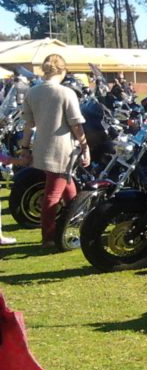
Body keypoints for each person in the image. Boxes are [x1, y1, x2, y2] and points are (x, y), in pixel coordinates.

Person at [18, 54, 91, 248]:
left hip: (42, 147)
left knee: (70, 190)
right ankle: (49, 237)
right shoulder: (66, 93)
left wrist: (24, 148)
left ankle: (81, 225)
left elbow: (28, 124)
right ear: (63, 70)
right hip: (62, 150)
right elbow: (76, 125)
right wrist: (85, 146)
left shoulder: (32, 92)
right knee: (53, 194)